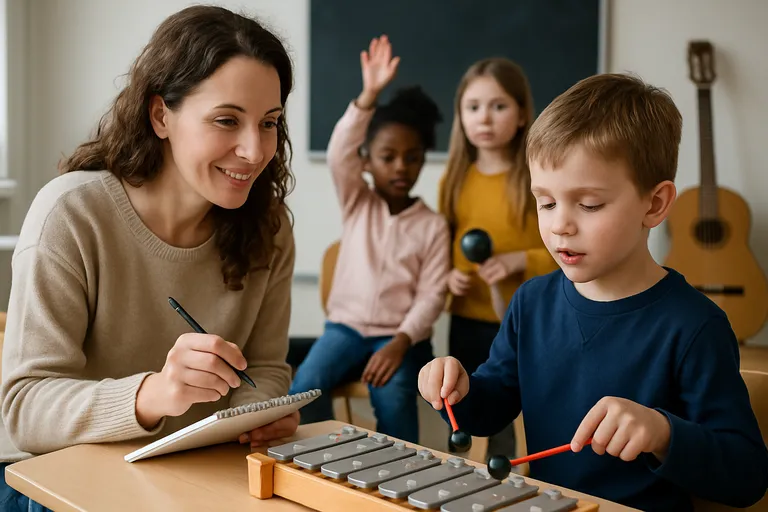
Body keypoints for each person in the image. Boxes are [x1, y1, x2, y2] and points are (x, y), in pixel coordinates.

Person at [418, 72, 768, 511]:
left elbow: (747, 476)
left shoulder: (695, 325)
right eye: (546, 202)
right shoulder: (531, 303)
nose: (560, 224)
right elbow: (488, 410)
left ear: (655, 204)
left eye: (589, 205)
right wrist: (456, 389)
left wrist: (662, 433)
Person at [0, 6, 301, 510]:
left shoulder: (268, 229)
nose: (255, 150)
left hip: (188, 472)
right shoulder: (71, 214)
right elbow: (26, 408)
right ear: (161, 116)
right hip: (51, 479)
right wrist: (154, 394)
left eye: (269, 123)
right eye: (227, 120)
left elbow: (266, 368)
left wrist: (256, 415)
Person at [289, 36, 449, 444]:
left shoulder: (432, 225)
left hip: (399, 338)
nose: (401, 167)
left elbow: (432, 296)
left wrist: (399, 343)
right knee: (303, 388)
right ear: (366, 160)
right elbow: (338, 151)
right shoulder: (357, 200)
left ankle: (399, 470)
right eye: (387, 157)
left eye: (412, 157)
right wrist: (368, 96)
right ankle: (316, 456)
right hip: (344, 330)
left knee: (393, 398)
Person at [437, 57, 558, 458]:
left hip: (521, 321)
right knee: (462, 408)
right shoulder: (455, 179)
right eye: (473, 107)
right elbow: (443, 246)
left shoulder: (535, 178)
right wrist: (448, 276)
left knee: (508, 421)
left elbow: (562, 253)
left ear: (522, 114)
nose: (484, 118)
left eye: (499, 106)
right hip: (467, 319)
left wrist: (519, 260)